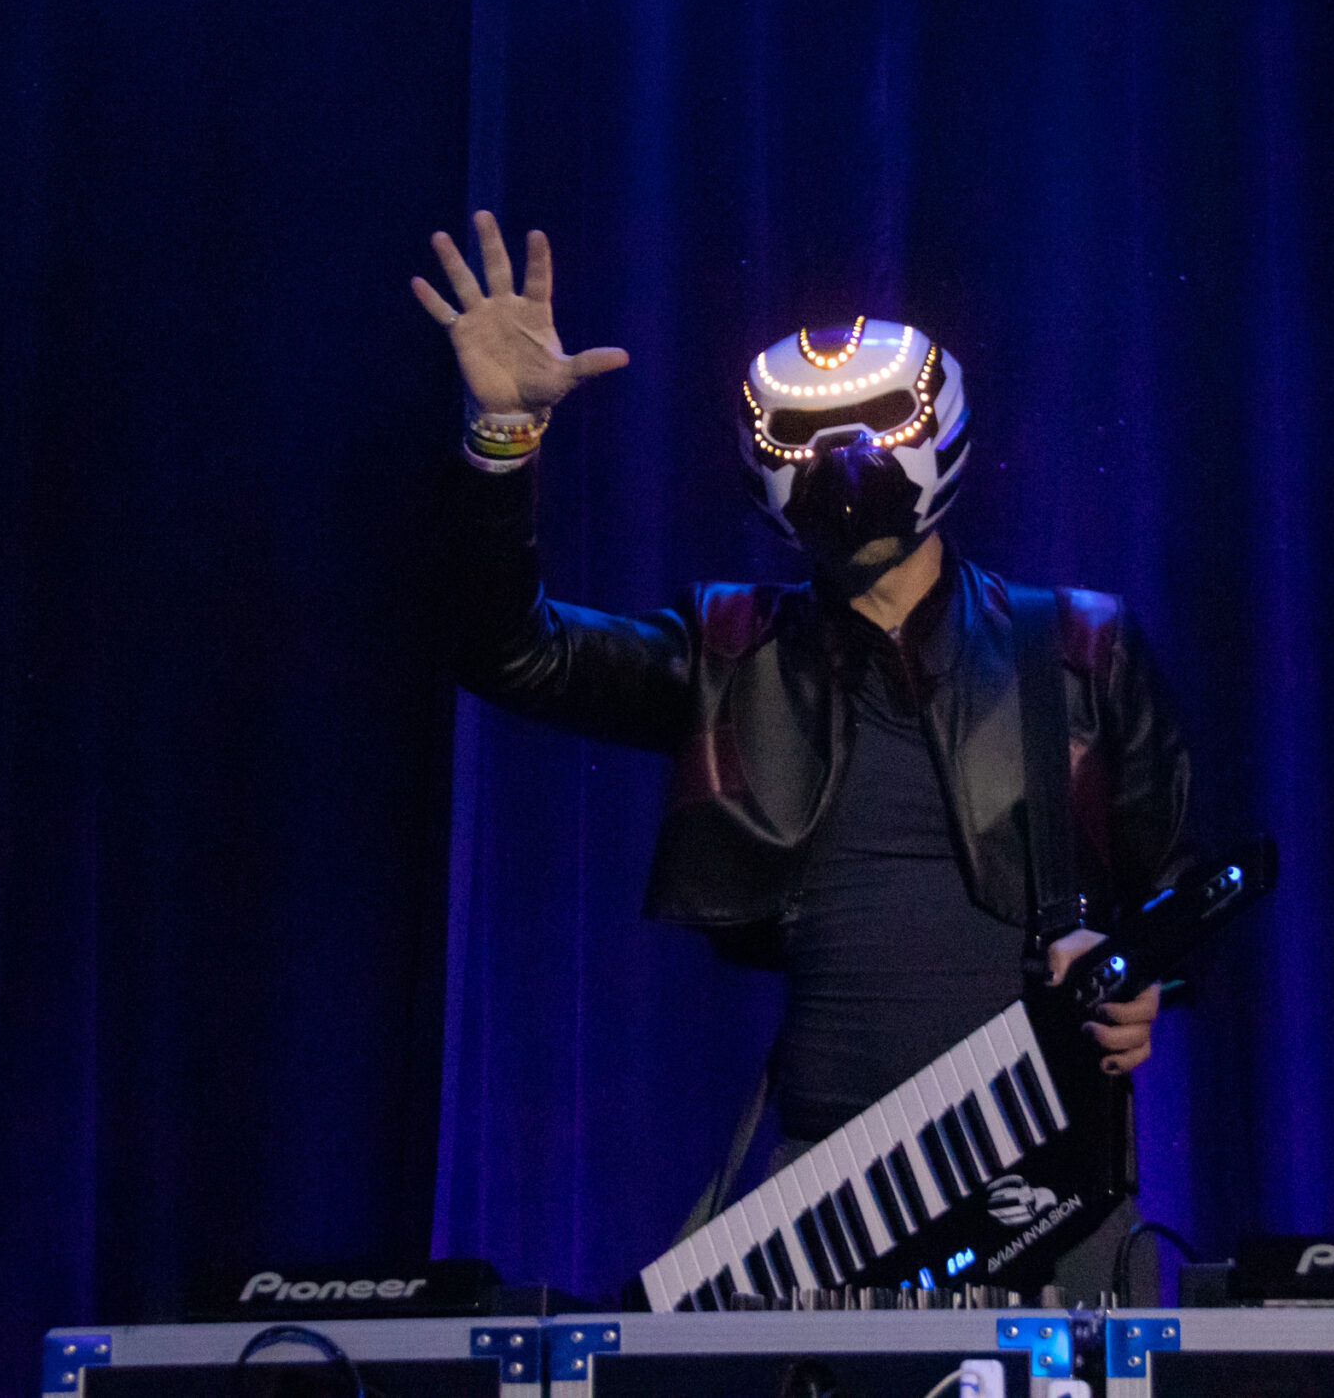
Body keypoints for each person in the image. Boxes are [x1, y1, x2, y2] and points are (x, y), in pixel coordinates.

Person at [414, 211, 1195, 1299]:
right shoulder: (729, 650)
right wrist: (505, 434)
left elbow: (1177, 890)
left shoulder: (1078, 646)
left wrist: (1141, 972)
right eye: (806, 437)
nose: (846, 461)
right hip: (830, 1184)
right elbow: (511, 653)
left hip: (1049, 1168)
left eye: (878, 423)